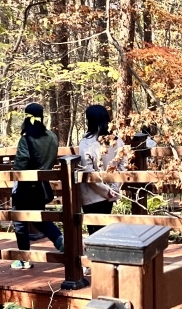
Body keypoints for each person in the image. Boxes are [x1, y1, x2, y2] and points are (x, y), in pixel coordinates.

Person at [10, 102, 65, 269]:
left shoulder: (26, 139)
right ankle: (62, 243)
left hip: (25, 187)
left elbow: (20, 165)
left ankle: (24, 258)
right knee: (40, 219)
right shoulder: (52, 137)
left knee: (19, 221)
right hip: (42, 186)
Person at [78, 104, 123, 234]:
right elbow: (122, 165)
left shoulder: (86, 142)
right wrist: (113, 188)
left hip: (92, 195)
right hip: (110, 194)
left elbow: (88, 172)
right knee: (104, 228)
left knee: (94, 231)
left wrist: (107, 191)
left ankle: (97, 254)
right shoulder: (116, 140)